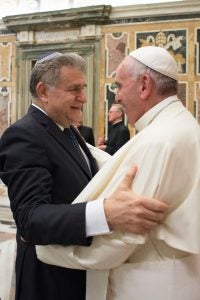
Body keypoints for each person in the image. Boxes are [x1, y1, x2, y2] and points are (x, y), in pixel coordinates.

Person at [36, 46, 200, 300]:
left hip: (151, 286)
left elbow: (120, 238)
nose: (117, 98)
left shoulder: (159, 140)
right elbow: (120, 162)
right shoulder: (179, 125)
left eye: (119, 86)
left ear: (144, 85)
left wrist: (46, 248)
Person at [0, 52, 167, 300]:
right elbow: (30, 219)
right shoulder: (24, 135)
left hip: (75, 269)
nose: (84, 98)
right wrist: (106, 213)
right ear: (44, 91)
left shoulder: (66, 128)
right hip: (49, 280)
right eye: (74, 89)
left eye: (84, 88)